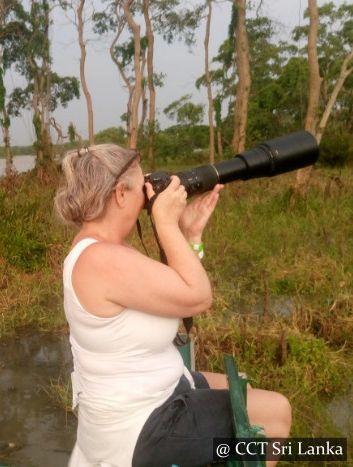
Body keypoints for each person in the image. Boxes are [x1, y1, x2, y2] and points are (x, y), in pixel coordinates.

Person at [54, 144, 291, 467]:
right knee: (276, 412)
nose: (149, 195)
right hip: (138, 426)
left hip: (156, 390)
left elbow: (175, 295)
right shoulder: (101, 259)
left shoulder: (101, 248)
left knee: (243, 383)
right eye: (143, 186)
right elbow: (198, 297)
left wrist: (189, 233)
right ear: (120, 195)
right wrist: (166, 224)